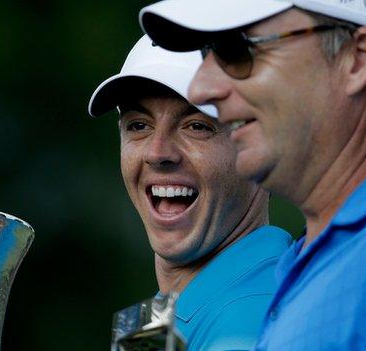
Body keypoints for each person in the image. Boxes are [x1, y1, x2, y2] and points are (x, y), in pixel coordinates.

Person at [139, 0, 366, 350]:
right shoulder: (321, 256)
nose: (202, 89)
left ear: (357, 59)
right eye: (206, 53)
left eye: (238, 50)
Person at [89, 35, 292, 350]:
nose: (157, 152)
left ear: (261, 151)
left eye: (197, 126)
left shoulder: (253, 322)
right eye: (138, 125)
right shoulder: (184, 310)